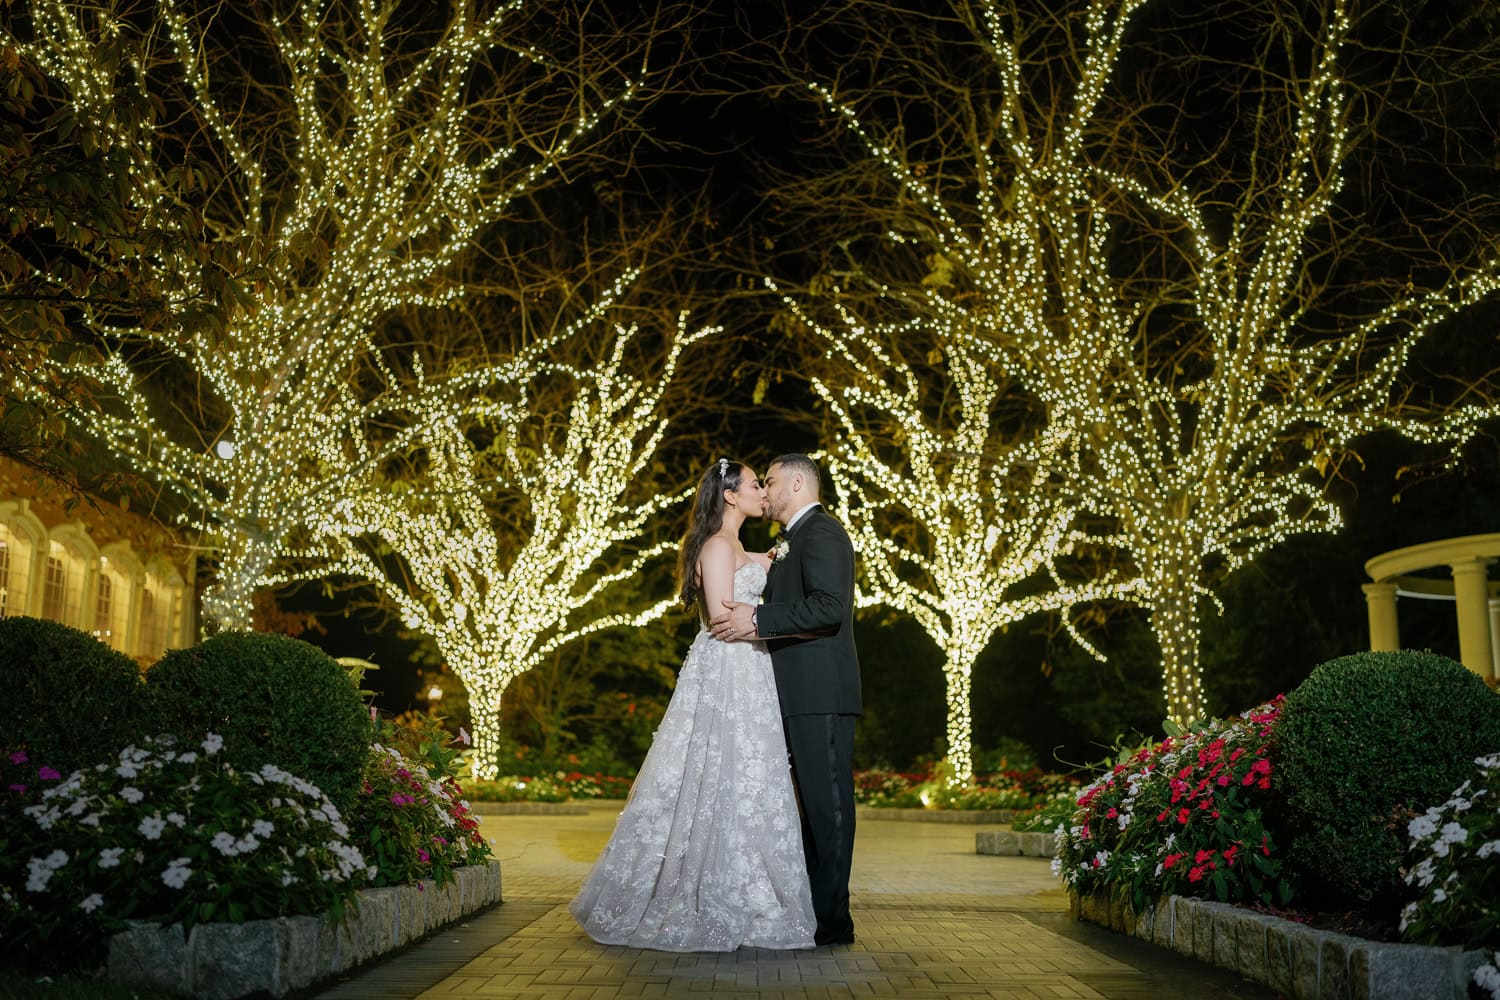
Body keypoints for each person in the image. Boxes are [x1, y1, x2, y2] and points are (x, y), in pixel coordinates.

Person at [569, 459, 816, 952]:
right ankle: (711, 891)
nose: (761, 493)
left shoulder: (739, 547)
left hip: (750, 667)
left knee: (749, 773)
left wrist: (764, 565)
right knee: (722, 769)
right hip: (730, 669)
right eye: (753, 485)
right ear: (729, 495)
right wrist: (763, 604)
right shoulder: (718, 546)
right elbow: (725, 615)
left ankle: (751, 882)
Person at [710, 453, 862, 947]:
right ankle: (815, 913)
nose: (766, 490)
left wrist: (757, 620)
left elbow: (828, 608)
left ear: (797, 483)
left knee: (828, 807)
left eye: (770, 481)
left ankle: (834, 922)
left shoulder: (823, 533)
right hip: (794, 695)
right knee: (810, 811)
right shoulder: (794, 541)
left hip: (822, 693)